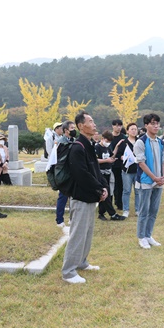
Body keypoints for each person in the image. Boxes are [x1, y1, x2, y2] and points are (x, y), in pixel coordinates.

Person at [61, 111, 108, 284]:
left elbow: (95, 170)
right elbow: (81, 174)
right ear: (81, 126)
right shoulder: (77, 147)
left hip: (90, 196)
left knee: (87, 232)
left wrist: (103, 187)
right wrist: (98, 188)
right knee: (78, 234)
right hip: (81, 197)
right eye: (90, 121)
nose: (94, 124)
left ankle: (81, 262)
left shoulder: (88, 145)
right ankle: (68, 272)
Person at [134, 113, 164, 250]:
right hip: (146, 181)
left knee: (154, 210)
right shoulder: (141, 142)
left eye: (157, 123)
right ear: (146, 125)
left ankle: (148, 235)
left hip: (159, 182)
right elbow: (141, 163)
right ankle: (141, 237)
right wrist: (154, 177)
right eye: (153, 123)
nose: (156, 126)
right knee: (144, 210)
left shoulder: (160, 142)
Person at [95, 130, 126, 221]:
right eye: (107, 141)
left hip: (108, 172)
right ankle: (112, 214)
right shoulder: (97, 147)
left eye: (109, 142)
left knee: (107, 193)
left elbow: (112, 156)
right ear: (103, 139)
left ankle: (102, 212)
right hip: (101, 173)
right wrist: (106, 161)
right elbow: (95, 160)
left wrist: (116, 147)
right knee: (106, 193)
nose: (108, 143)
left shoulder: (107, 148)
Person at [114, 122, 139, 218]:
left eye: (135, 129)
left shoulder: (139, 142)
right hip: (126, 170)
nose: (134, 131)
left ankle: (138, 209)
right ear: (128, 131)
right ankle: (126, 209)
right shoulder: (123, 142)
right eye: (132, 129)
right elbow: (118, 155)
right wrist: (125, 157)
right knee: (126, 191)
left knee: (138, 191)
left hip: (137, 169)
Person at [55, 120, 77, 227]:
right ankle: (59, 220)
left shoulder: (75, 141)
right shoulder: (60, 143)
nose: (74, 130)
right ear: (66, 130)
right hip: (64, 174)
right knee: (63, 197)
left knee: (73, 198)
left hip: (74, 174)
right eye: (72, 128)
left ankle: (72, 218)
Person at [110, 119, 126, 210]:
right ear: (113, 126)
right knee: (112, 184)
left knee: (120, 184)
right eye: (116, 125)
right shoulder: (109, 137)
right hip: (111, 164)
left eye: (120, 126)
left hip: (122, 164)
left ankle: (119, 203)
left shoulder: (123, 137)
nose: (118, 127)